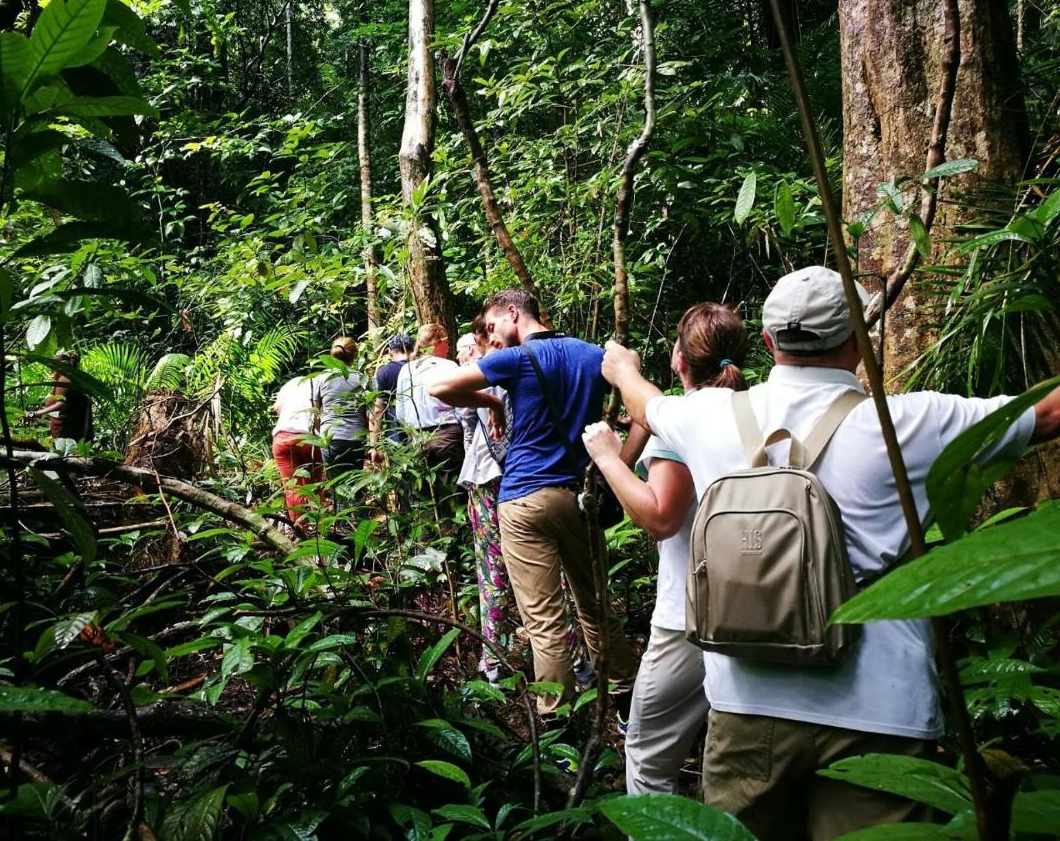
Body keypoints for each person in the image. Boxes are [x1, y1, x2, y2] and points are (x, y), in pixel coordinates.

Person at [600, 265, 1060, 839]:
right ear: (861, 339)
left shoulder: (706, 415)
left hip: (746, 709)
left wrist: (623, 370)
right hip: (879, 714)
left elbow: (649, 404)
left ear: (768, 343)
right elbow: (1046, 413)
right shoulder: (906, 423)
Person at [430, 290, 637, 721]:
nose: (492, 336)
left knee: (544, 619)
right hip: (581, 497)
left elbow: (440, 387)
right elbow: (645, 413)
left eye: (491, 326)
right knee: (596, 603)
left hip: (523, 499)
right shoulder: (592, 354)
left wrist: (488, 399)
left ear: (512, 313)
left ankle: (557, 721)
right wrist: (616, 464)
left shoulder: (516, 360)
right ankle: (624, 701)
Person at [582, 303, 748, 796]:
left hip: (688, 618)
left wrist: (610, 460)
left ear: (679, 359)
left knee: (647, 752)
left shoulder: (682, 425)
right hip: (756, 607)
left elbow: (661, 516)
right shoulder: (755, 413)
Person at [456, 322, 514, 682]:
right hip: (526, 474)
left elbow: (466, 425)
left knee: (492, 572)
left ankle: (494, 660)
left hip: (485, 475)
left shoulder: (479, 373)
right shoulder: (526, 362)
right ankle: (574, 660)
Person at [396, 324, 465, 486]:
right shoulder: (449, 367)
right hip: (447, 436)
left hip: (417, 438)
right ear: (436, 342)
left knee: (423, 492)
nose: (448, 347)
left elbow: (400, 412)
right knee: (452, 490)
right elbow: (461, 406)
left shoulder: (407, 370)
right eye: (446, 342)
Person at [313, 336, 369, 481]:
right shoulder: (362, 378)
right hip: (357, 439)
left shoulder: (321, 378)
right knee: (355, 485)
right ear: (355, 355)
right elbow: (368, 413)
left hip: (331, 437)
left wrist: (319, 436)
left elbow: (316, 414)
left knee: (337, 486)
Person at [271, 371, 321, 527]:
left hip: (283, 438)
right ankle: (320, 530)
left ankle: (300, 531)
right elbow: (319, 414)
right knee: (314, 485)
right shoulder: (318, 383)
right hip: (309, 439)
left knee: (292, 488)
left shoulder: (289, 384)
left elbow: (277, 408)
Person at [29, 352, 94, 443]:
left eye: (52, 369)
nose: (51, 372)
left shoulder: (65, 379)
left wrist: (36, 413)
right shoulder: (64, 379)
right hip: (66, 434)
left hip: (69, 435)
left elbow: (62, 405)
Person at [373, 333, 412, 448]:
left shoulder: (385, 372)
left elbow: (378, 410)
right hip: (419, 428)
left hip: (395, 432)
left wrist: (374, 445)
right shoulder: (418, 368)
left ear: (390, 351)